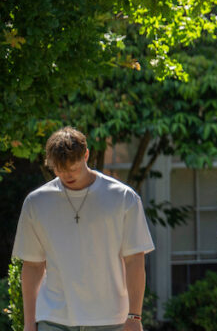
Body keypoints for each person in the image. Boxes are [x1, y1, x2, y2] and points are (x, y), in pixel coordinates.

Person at [13, 127, 155, 331]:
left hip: (111, 319)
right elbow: (33, 266)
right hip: (53, 318)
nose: (67, 175)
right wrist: (28, 324)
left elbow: (134, 260)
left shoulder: (123, 198)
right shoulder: (36, 203)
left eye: (73, 168)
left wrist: (135, 316)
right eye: (59, 170)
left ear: (86, 154)